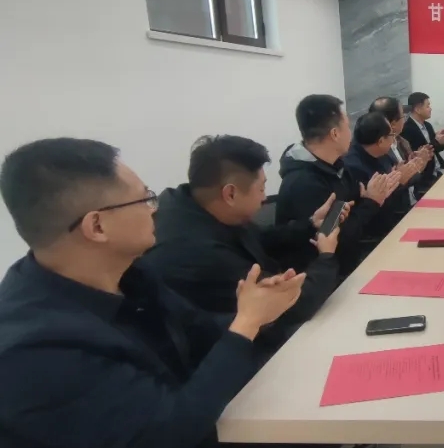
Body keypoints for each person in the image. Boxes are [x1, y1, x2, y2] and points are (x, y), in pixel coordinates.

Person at [0, 138, 304, 448]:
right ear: (98, 226)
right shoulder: (35, 351)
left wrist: (259, 312)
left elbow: (199, 329)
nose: (154, 210)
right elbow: (171, 431)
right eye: (144, 199)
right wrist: (246, 325)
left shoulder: (131, 273)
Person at [141, 135, 343, 348]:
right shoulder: (197, 253)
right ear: (230, 194)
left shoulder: (198, 203)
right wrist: (326, 256)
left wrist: (310, 224)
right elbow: (290, 303)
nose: (264, 198)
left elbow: (260, 237)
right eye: (261, 189)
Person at [277, 94, 400, 276]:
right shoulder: (304, 182)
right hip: (325, 279)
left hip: (348, 265)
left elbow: (352, 209)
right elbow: (339, 236)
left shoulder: (337, 166)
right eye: (347, 127)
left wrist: (369, 198)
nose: (351, 134)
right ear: (335, 134)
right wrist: (371, 202)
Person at [345, 111, 409, 241]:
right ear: (380, 141)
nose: (394, 139)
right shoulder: (353, 167)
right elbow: (370, 213)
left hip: (391, 222)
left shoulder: (382, 154)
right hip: (374, 235)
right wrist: (398, 183)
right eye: (391, 135)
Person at [368, 96, 429, 207]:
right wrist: (414, 169)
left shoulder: (401, 142)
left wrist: (416, 165)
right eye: (403, 116)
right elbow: (388, 194)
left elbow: (410, 179)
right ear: (392, 124)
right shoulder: (378, 150)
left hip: (413, 200)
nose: (405, 119)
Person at [401, 91, 444, 199]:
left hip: (439, 170)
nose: (430, 109)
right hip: (425, 177)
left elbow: (436, 149)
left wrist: (442, 140)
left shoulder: (427, 125)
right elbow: (419, 153)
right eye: (427, 106)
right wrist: (436, 141)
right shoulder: (407, 129)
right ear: (418, 109)